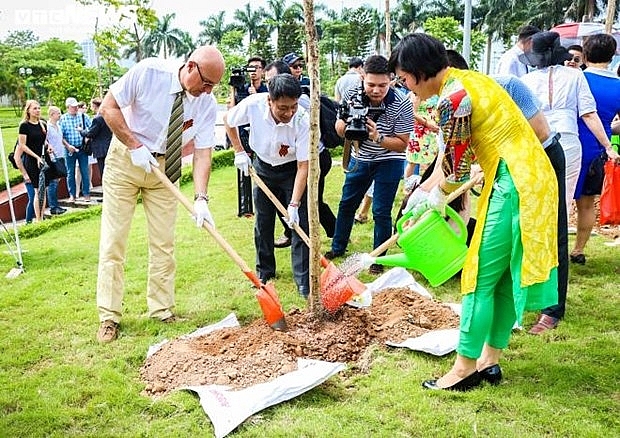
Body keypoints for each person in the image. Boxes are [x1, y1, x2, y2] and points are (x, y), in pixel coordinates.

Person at [390, 33, 559, 391]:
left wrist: (436, 196)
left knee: (479, 275)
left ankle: (464, 367)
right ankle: (489, 361)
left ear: (419, 72)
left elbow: (455, 169)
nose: (407, 89)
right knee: (499, 279)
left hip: (514, 185)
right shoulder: (473, 79)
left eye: (404, 79)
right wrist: (435, 189)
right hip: (533, 178)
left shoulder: (453, 98)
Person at [95, 45, 225, 343]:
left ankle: (162, 310)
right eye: (205, 83)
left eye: (213, 86)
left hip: (167, 165)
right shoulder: (149, 72)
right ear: (191, 67)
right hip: (127, 159)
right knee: (114, 242)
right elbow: (108, 107)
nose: (207, 91)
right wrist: (134, 146)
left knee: (164, 243)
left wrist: (201, 199)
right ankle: (109, 317)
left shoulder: (206, 102)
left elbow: (203, 153)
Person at [325, 55, 414, 276]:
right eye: (371, 84)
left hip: (389, 160)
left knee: (381, 211)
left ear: (391, 80)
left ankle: (379, 257)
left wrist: (377, 136)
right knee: (347, 203)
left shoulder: (402, 102)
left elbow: (402, 144)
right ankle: (338, 246)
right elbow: (338, 124)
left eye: (382, 85)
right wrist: (347, 128)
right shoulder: (351, 95)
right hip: (360, 157)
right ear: (362, 78)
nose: (376, 90)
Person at [225, 73, 310, 297]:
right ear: (269, 101)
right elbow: (228, 120)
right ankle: (265, 271)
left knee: (300, 224)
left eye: (293, 106)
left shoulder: (302, 119)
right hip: (261, 167)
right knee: (263, 221)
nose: (289, 113)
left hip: (291, 171)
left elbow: (304, 166)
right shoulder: (252, 105)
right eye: (283, 108)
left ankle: (303, 279)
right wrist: (239, 152)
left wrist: (294, 203)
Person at [520, 32, 614, 224]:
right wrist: (608, 146)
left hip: (536, 141)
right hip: (568, 142)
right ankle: (557, 251)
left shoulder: (526, 81)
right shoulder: (575, 75)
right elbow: (588, 114)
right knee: (563, 201)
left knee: (535, 197)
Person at [570, 34, 620, 265]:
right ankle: (578, 250)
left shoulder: (576, 79)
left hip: (569, 145)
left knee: (559, 200)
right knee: (587, 204)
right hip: (597, 152)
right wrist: (610, 131)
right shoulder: (617, 87)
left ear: (586, 55)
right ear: (612, 56)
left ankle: (554, 249)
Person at [228, 56, 269, 218]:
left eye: (257, 68)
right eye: (250, 68)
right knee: (243, 170)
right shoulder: (241, 88)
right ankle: (245, 207)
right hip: (244, 134)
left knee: (263, 169)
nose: (253, 71)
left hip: (261, 135)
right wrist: (233, 89)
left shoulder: (267, 90)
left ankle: (265, 201)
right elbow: (231, 112)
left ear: (263, 71)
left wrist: (255, 95)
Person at [14, 100, 47, 223]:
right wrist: (36, 157)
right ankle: (38, 219)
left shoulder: (43, 124)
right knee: (38, 190)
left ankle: (42, 217)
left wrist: (48, 147)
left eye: (39, 108)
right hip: (32, 161)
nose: (38, 110)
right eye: (34, 108)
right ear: (28, 110)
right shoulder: (24, 126)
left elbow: (43, 141)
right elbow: (22, 145)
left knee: (44, 190)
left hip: (43, 159)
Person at [60, 97, 92, 202]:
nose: (76, 108)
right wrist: (68, 146)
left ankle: (86, 194)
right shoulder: (63, 119)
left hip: (82, 148)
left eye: (76, 106)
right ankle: (72, 195)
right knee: (70, 172)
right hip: (69, 149)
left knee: (84, 171)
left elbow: (91, 129)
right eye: (73, 106)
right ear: (68, 107)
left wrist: (87, 137)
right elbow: (61, 136)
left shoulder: (83, 116)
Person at [82, 97, 112, 177]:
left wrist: (81, 131)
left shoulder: (97, 118)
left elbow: (90, 133)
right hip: (109, 146)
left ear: (95, 106)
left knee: (103, 171)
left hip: (100, 149)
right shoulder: (108, 115)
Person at [45, 105, 67, 215]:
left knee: (57, 181)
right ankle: (53, 207)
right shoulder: (47, 127)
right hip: (52, 157)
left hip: (60, 155)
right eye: (58, 113)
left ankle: (56, 205)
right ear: (52, 114)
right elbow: (44, 141)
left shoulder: (58, 125)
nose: (60, 115)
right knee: (53, 182)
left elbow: (61, 139)